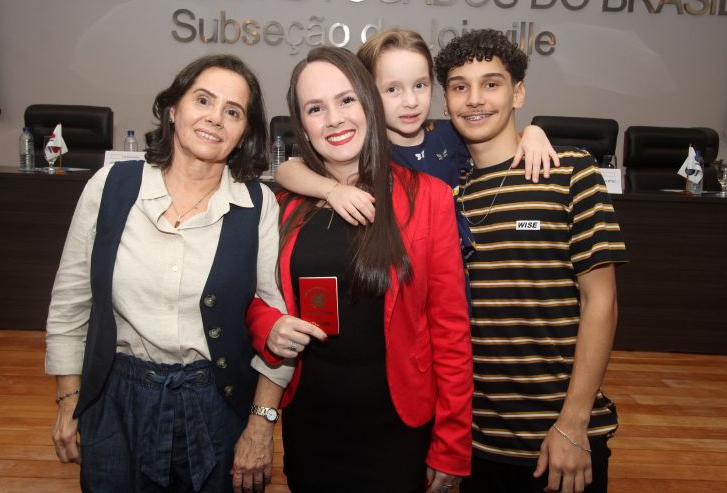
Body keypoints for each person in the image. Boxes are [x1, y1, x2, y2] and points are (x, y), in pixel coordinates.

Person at [46, 54, 293, 493]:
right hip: (114, 402)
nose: (215, 118)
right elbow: (71, 302)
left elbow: (278, 326)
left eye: (233, 112)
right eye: (203, 100)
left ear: (244, 133)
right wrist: (68, 398)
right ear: (174, 109)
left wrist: (261, 424)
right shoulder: (110, 187)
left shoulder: (259, 207)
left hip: (216, 404)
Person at [245, 46, 473, 493]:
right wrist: (267, 326)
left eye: (346, 100)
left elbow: (450, 330)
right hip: (311, 425)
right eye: (315, 108)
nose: (334, 119)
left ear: (368, 102)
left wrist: (452, 444)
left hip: (397, 431)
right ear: (302, 125)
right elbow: (256, 299)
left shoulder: (429, 198)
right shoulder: (281, 205)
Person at [433, 29, 628, 493]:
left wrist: (573, 424)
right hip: (477, 443)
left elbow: (601, 302)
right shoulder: (446, 196)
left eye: (491, 84)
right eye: (460, 86)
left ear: (518, 93)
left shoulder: (570, 172)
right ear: (446, 101)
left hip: (561, 437)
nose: (474, 99)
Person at [274, 27, 559, 234]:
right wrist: (332, 190)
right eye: (392, 89)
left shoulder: (450, 134)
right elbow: (287, 170)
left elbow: (493, 141)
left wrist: (531, 133)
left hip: (456, 263)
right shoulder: (370, 148)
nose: (410, 101)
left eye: (420, 85)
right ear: (368, 93)